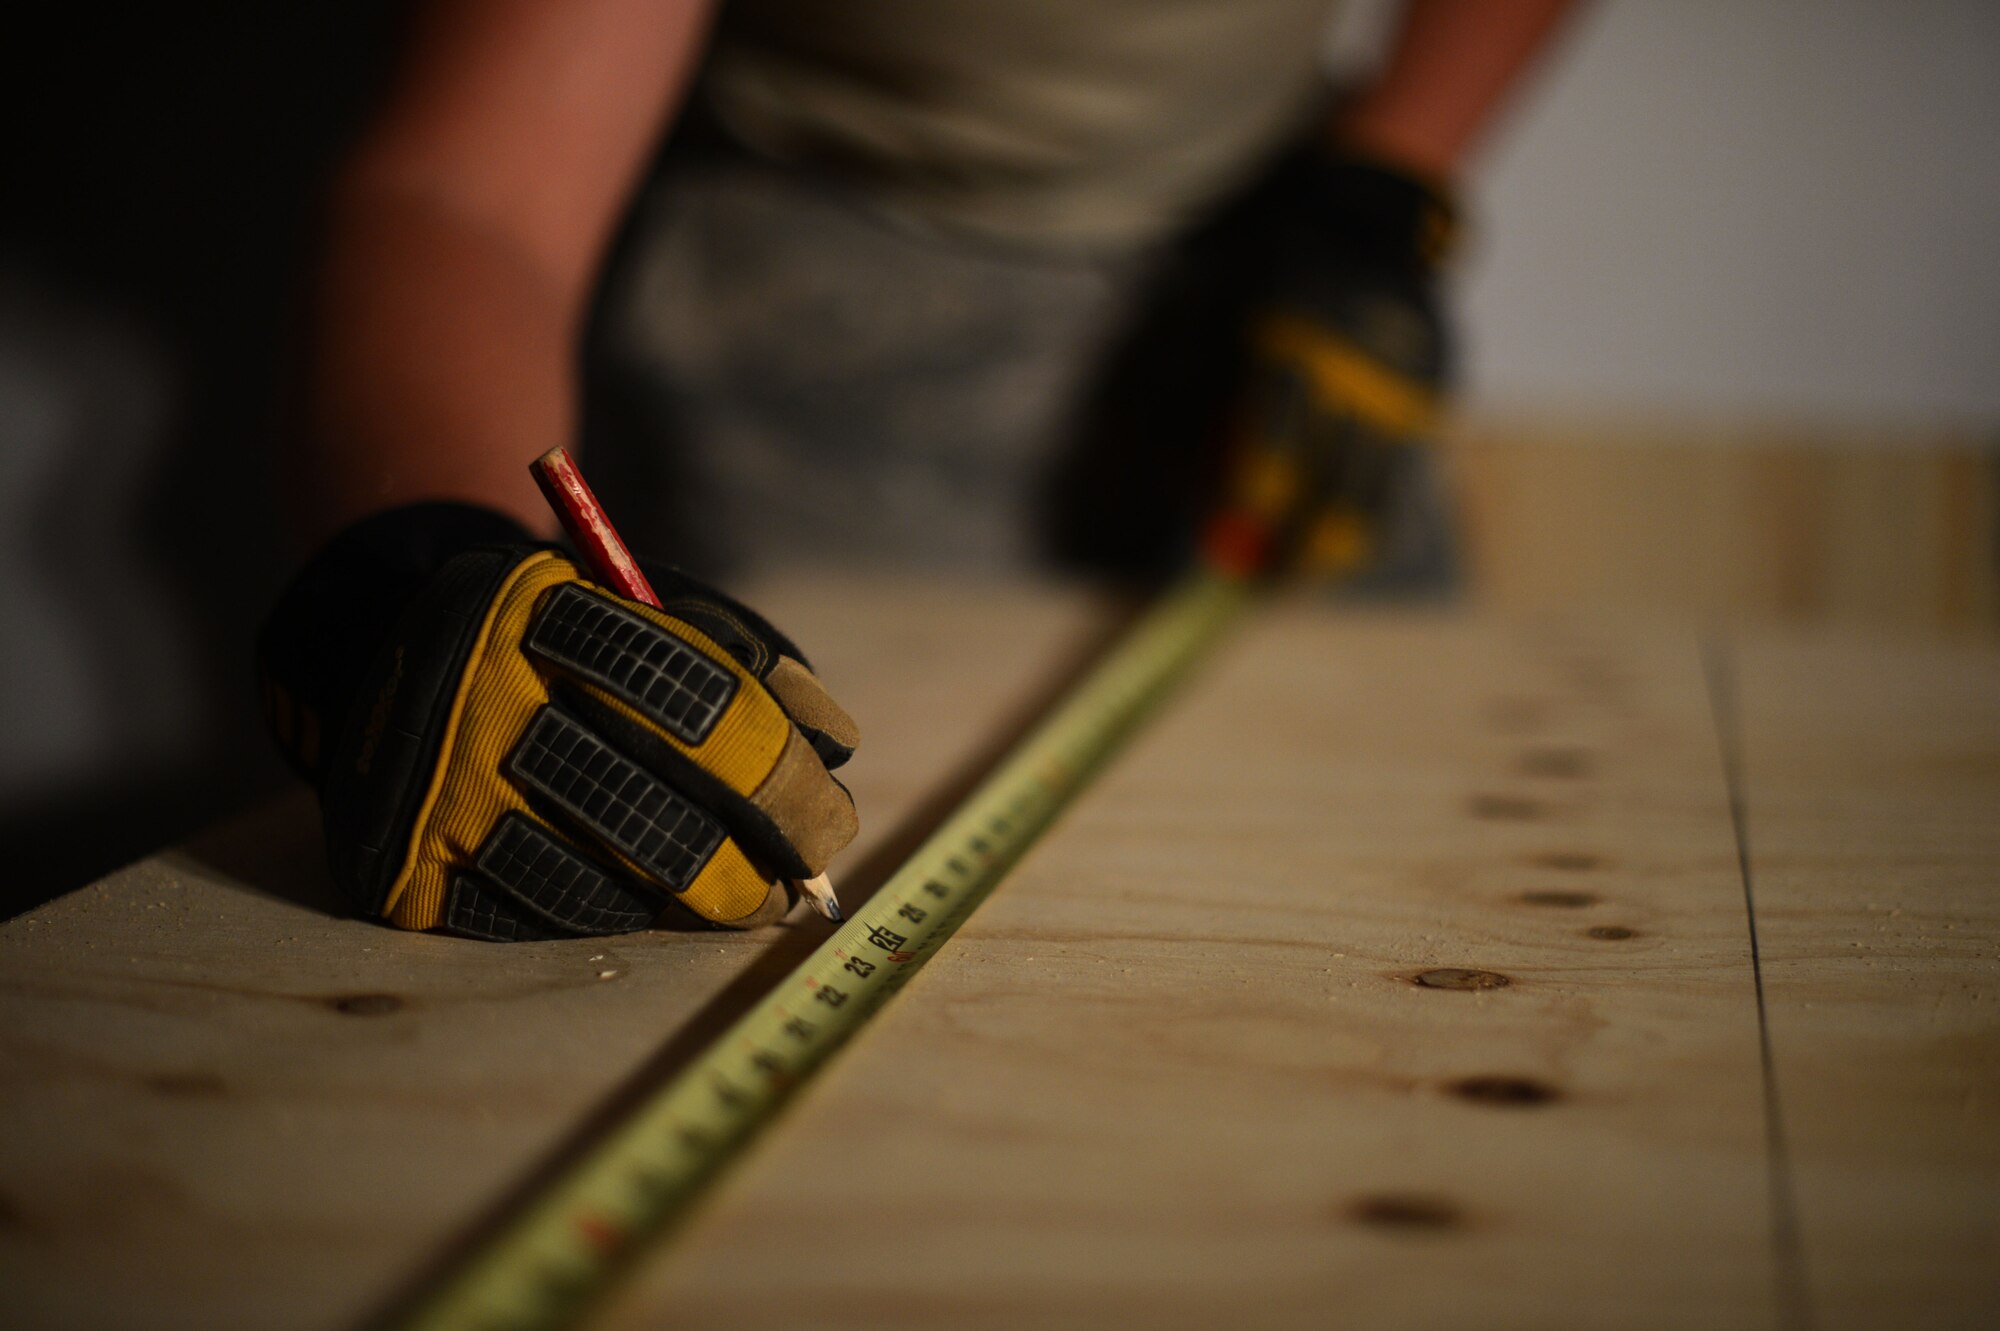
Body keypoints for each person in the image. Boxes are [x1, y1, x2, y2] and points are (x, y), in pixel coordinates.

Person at [261, 0, 1586, 940]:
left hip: (1270, 275)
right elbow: (474, 200)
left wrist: (1382, 188)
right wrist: (429, 556)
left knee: (1418, 890)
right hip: (841, 316)